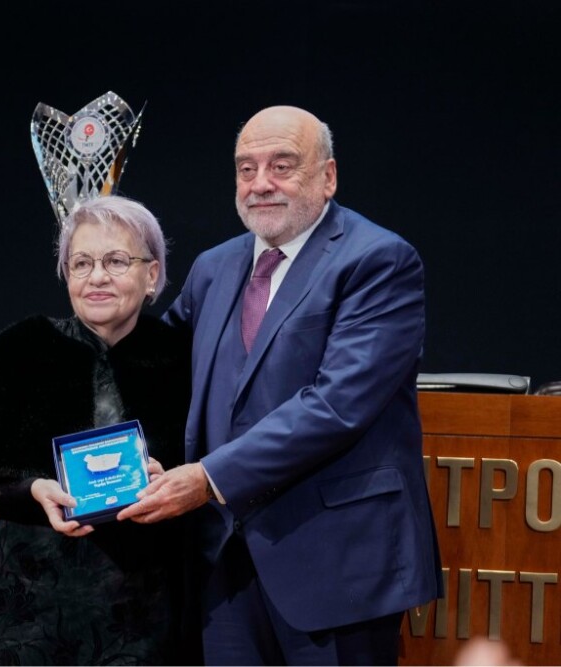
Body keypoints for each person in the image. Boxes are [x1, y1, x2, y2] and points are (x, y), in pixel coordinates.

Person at [117, 105, 443, 665]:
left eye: (282, 166)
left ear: (328, 176)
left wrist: (209, 478)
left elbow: (336, 405)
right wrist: (99, 313)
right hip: (222, 562)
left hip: (335, 563)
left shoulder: (378, 261)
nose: (261, 183)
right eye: (246, 169)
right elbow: (159, 371)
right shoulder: (214, 268)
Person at [0, 195, 199, 665]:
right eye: (81, 263)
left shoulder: (184, 357)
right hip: (29, 607)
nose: (97, 277)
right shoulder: (21, 348)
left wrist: (172, 481)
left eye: (116, 261)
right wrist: (34, 488)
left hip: (144, 609)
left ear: (152, 275)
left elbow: (210, 470)